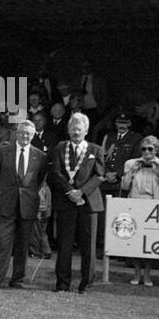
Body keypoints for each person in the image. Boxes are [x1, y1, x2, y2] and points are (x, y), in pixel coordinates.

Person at [0, 121, 48, 290]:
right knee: (2, 244)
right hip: (5, 204)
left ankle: (17, 280)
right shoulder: (2, 152)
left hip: (27, 206)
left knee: (22, 245)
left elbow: (39, 181)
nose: (24, 136)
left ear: (33, 135)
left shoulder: (40, 156)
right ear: (16, 133)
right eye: (21, 132)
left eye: (28, 133)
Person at [49, 112, 106, 294]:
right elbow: (55, 173)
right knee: (64, 245)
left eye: (79, 129)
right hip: (66, 202)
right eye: (73, 128)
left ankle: (86, 284)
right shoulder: (60, 147)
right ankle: (62, 284)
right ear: (68, 129)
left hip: (88, 204)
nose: (76, 132)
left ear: (86, 130)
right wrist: (70, 191)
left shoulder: (95, 149)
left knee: (88, 245)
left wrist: (82, 192)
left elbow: (100, 175)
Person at [120, 136, 159, 286]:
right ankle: (137, 272)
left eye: (150, 148)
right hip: (135, 203)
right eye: (144, 148)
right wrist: (131, 172)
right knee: (136, 240)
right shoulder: (131, 163)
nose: (146, 152)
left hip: (155, 205)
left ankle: (148, 273)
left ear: (156, 149)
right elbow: (124, 186)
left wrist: (158, 173)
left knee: (150, 242)